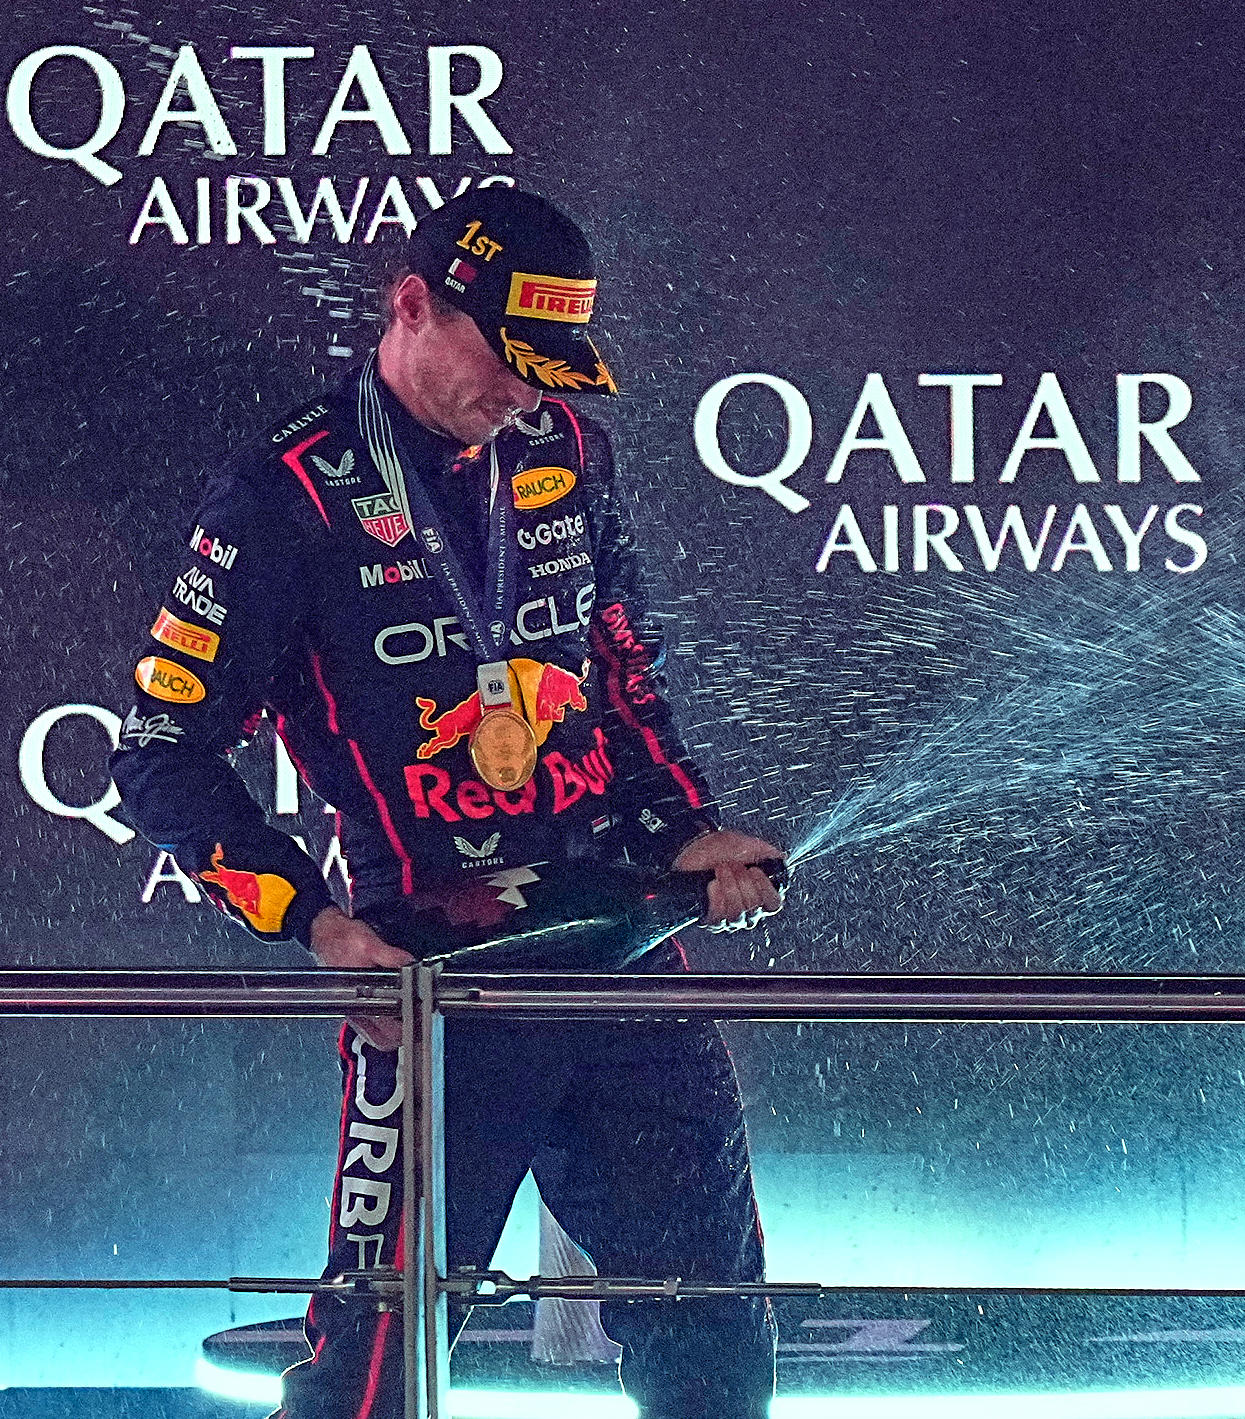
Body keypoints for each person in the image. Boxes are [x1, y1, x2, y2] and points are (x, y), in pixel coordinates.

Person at [111, 184, 784, 1417]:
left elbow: (621, 683)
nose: (527, 393)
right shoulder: (285, 497)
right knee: (369, 1381)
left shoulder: (570, 452)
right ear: (412, 306)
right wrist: (315, 927)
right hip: (430, 985)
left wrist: (688, 825)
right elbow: (158, 753)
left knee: (715, 1355)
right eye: (505, 360)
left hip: (627, 956)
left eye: (551, 368)